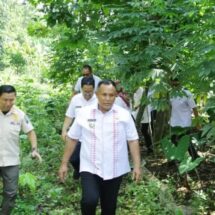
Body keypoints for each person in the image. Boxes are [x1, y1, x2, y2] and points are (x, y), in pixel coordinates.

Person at [59, 80, 141, 215]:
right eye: (104, 95)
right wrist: (64, 163)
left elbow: (132, 140)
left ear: (115, 96)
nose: (108, 99)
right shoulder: (84, 113)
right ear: (97, 95)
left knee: (109, 208)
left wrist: (137, 166)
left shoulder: (124, 115)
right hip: (90, 167)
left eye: (111, 95)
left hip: (115, 168)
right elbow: (72, 138)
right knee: (89, 200)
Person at [0, 85, 42, 215]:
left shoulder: (19, 114)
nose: (8, 103)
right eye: (5, 99)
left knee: (11, 192)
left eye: (11, 100)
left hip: (11, 160)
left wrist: (34, 149)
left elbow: (31, 132)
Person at [61, 76, 97, 179]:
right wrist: (64, 130)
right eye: (85, 91)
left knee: (91, 160)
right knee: (73, 158)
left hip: (92, 136)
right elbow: (69, 116)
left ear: (94, 89)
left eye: (90, 91)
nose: (88, 94)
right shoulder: (76, 99)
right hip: (77, 136)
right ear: (81, 88)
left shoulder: (99, 100)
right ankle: (79, 169)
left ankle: (88, 176)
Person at [170, 78, 200, 160]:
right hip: (174, 122)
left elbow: (194, 108)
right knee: (173, 140)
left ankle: (195, 157)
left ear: (180, 82)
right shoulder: (170, 93)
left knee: (186, 141)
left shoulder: (187, 94)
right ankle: (179, 158)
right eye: (173, 82)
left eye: (176, 82)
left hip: (185, 123)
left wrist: (197, 123)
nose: (174, 84)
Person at [132, 86, 153, 154]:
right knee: (143, 131)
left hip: (144, 113)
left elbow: (143, 102)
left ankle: (150, 148)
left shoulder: (141, 91)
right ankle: (148, 147)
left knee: (144, 130)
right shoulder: (135, 91)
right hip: (138, 113)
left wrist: (136, 106)